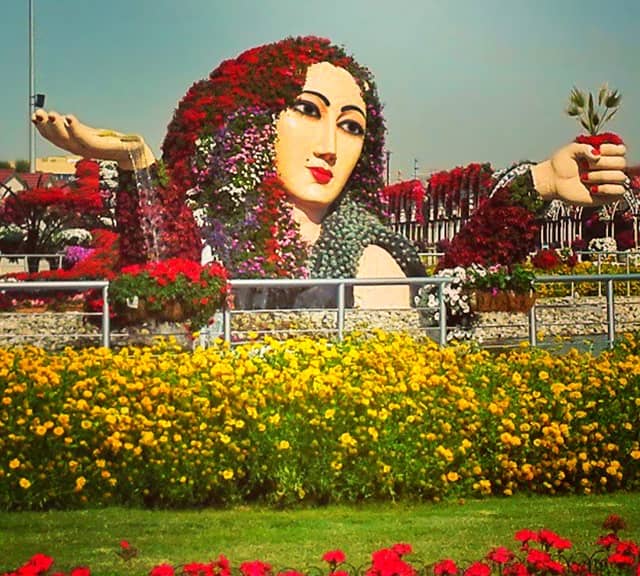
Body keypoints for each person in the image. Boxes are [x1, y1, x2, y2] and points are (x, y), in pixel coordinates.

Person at [31, 36, 629, 309]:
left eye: (350, 125)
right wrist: (138, 163)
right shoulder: (212, 228)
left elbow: (450, 298)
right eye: (308, 112)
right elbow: (165, 273)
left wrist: (539, 186)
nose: (329, 144)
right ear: (254, 121)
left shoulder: (375, 238)